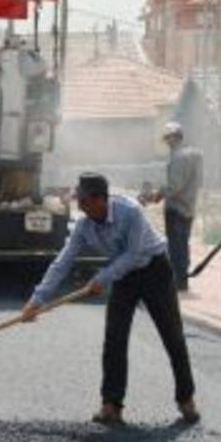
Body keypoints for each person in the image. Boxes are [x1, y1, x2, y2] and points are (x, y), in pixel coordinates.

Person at [22, 173, 200, 425]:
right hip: (123, 276)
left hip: (154, 270)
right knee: (114, 338)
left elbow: (135, 254)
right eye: (79, 200)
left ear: (100, 199)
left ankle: (186, 398)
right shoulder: (84, 226)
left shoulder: (131, 212)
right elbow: (63, 262)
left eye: (84, 201)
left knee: (172, 335)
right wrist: (37, 300)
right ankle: (111, 405)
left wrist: (102, 278)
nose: (80, 206)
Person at [149, 121, 203, 292]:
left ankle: (178, 281)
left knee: (175, 245)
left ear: (173, 138)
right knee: (183, 244)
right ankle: (182, 278)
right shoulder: (194, 155)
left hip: (175, 208)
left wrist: (158, 195)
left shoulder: (178, 158)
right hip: (189, 206)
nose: (166, 142)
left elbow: (174, 187)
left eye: (167, 138)